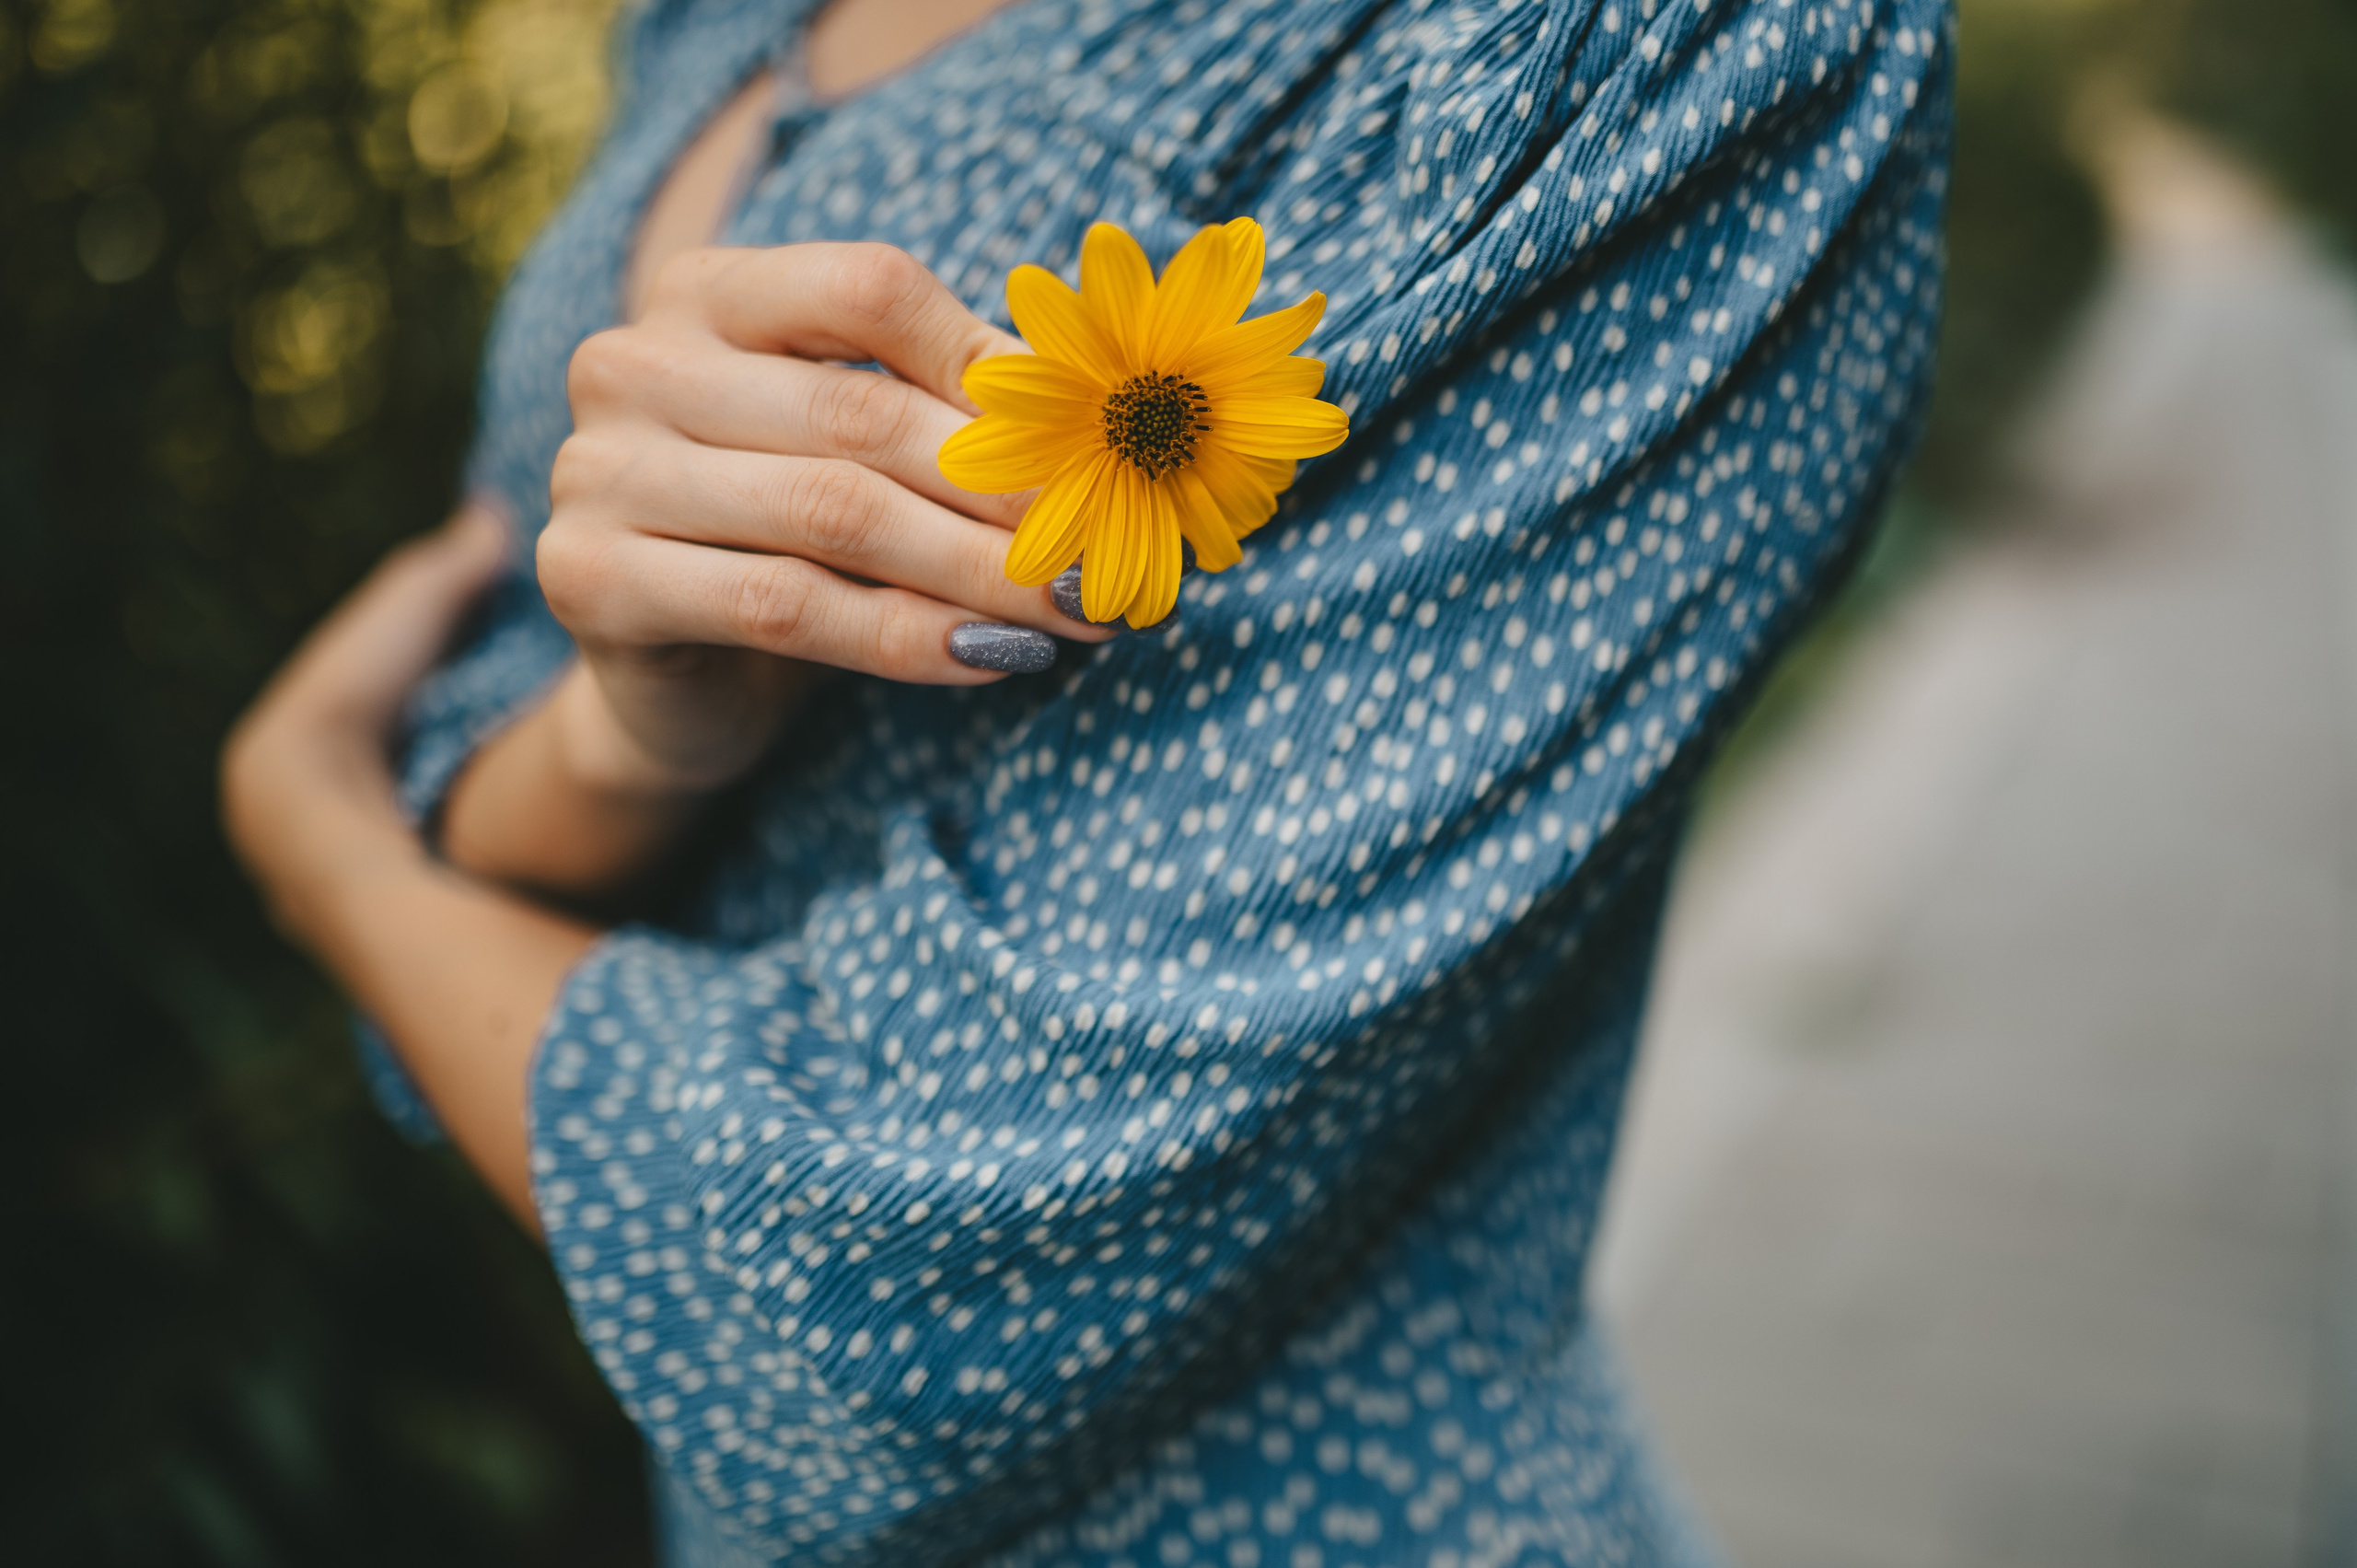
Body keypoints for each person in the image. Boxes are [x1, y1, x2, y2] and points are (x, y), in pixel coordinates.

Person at [224, 0, 1954, 1562]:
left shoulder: (1664, 45)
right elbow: (497, 657)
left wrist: (329, 857)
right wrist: (636, 740)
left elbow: (882, 1268)